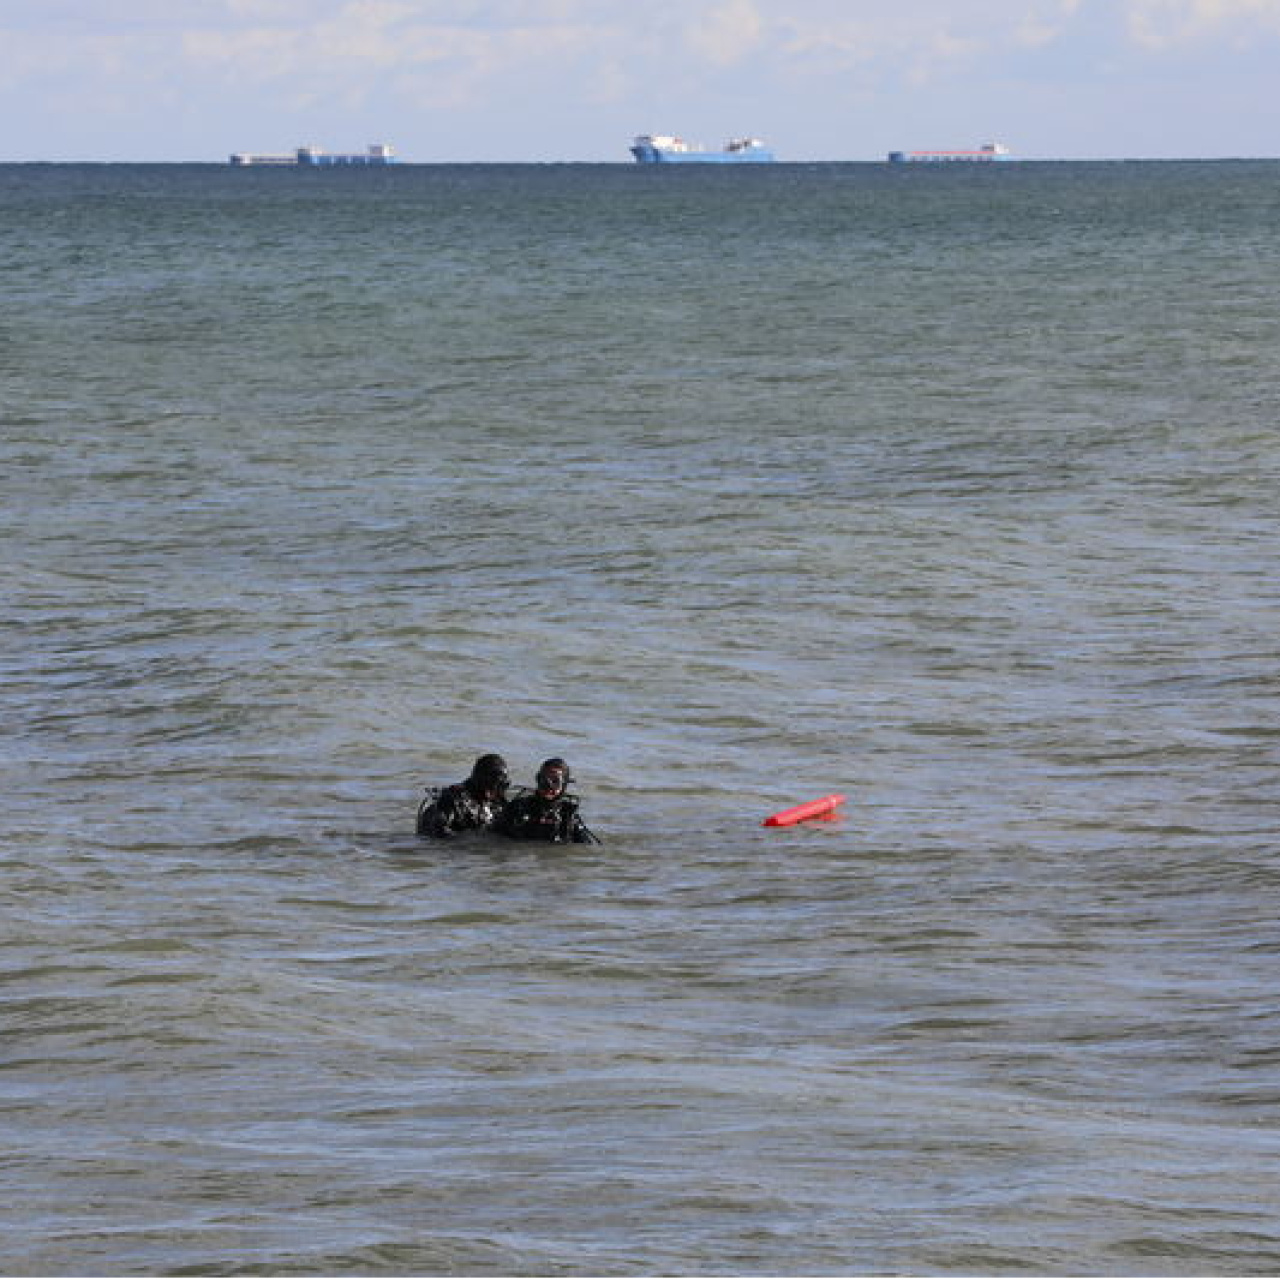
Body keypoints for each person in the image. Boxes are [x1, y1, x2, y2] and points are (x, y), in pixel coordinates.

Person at [496, 757, 597, 844]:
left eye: (555, 781)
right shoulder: (518, 807)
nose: (548, 786)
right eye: (543, 780)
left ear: (564, 785)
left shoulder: (568, 815)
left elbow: (586, 848)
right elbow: (493, 837)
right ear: (538, 779)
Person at [416, 753, 510, 838]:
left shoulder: (496, 801)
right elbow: (436, 835)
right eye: (496, 784)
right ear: (482, 780)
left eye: (503, 785)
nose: (499, 791)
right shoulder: (451, 800)